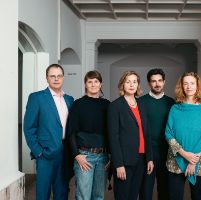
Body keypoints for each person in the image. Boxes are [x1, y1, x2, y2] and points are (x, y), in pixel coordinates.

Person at [165, 72, 201, 200]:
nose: (189, 86)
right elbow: (168, 133)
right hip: (176, 160)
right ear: (182, 87)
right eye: (185, 83)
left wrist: (193, 160)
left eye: (192, 83)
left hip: (200, 160)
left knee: (198, 196)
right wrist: (184, 154)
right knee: (174, 196)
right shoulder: (175, 108)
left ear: (198, 85)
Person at [23, 64, 74, 200]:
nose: (56, 79)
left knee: (62, 192)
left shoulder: (69, 99)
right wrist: (38, 152)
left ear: (63, 78)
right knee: (43, 193)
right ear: (47, 78)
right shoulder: (37, 98)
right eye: (52, 76)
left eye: (59, 76)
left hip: (65, 154)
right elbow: (29, 127)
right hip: (45, 154)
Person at [108, 71, 154, 200]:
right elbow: (113, 137)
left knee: (134, 196)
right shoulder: (115, 106)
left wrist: (149, 158)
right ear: (122, 84)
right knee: (123, 196)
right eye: (128, 81)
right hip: (124, 161)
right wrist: (118, 164)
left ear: (138, 85)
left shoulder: (142, 104)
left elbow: (147, 133)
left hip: (141, 159)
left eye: (134, 81)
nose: (131, 84)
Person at [67, 70, 110, 200]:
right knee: (83, 196)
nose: (93, 84)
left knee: (99, 196)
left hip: (103, 157)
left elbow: (112, 133)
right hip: (84, 156)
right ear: (85, 84)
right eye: (89, 81)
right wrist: (76, 155)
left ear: (101, 84)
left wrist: (111, 156)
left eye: (96, 81)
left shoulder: (107, 105)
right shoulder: (78, 104)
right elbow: (71, 132)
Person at [139, 68, 175, 200]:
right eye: (153, 81)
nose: (157, 84)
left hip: (167, 152)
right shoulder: (141, 102)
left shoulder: (171, 103)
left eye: (160, 80)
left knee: (165, 190)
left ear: (164, 82)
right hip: (147, 152)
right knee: (145, 191)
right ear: (149, 83)